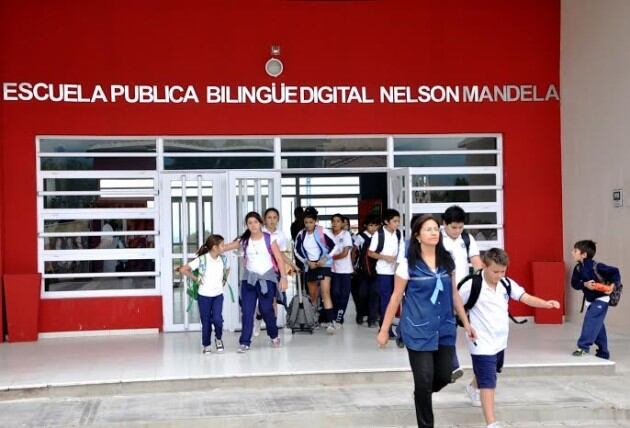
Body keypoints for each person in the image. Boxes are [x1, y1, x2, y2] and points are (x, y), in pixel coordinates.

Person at [377, 214, 476, 428]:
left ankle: (421, 395)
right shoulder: (407, 265)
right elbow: (396, 297)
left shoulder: (447, 261)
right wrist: (384, 330)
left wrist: (466, 323)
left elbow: (454, 295)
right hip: (417, 329)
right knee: (423, 379)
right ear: (417, 236)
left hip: (444, 329)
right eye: (428, 229)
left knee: (442, 376)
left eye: (435, 229)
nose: (433, 233)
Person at [458, 248, 560, 428]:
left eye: (502, 271)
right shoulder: (472, 285)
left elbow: (525, 297)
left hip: (500, 341)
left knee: (490, 372)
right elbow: (456, 302)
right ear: (484, 266)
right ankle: (491, 423)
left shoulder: (506, 283)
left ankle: (473, 387)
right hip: (480, 340)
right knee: (489, 382)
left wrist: (545, 304)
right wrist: (466, 324)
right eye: (495, 271)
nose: (499, 275)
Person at [222, 211, 288, 353]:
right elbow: (224, 247)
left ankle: (274, 335)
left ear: (260, 223)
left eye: (255, 222)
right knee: (247, 311)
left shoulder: (269, 239)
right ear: (246, 225)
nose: (253, 225)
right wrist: (206, 248)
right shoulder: (243, 240)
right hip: (249, 280)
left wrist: (283, 277)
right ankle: (245, 342)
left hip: (267, 279)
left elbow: (279, 259)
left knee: (266, 310)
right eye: (249, 223)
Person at [441, 205, 484, 382]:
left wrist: (482, 281)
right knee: (448, 329)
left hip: (465, 291)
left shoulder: (467, 239)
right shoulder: (437, 238)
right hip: (444, 290)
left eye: (460, 227)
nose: (457, 231)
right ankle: (453, 365)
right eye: (453, 227)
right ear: (444, 224)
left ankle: (481, 368)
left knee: (476, 326)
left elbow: (476, 262)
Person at [294, 206, 343, 334]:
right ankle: (313, 320)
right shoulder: (301, 234)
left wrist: (324, 259)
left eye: (311, 222)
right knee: (313, 295)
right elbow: (297, 250)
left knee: (325, 292)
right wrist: (307, 262)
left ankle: (332, 322)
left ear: (316, 221)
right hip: (310, 266)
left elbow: (335, 246)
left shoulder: (323, 232)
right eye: (306, 222)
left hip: (324, 265)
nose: (308, 225)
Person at [176, 234, 228, 354]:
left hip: (218, 295)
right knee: (206, 322)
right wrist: (196, 278)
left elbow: (226, 270)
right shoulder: (202, 259)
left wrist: (224, 279)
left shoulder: (223, 259)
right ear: (214, 247)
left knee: (217, 319)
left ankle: (218, 338)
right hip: (204, 296)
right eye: (222, 245)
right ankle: (206, 344)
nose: (224, 247)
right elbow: (184, 269)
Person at [254, 207, 299, 336]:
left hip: (275, 271)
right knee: (263, 301)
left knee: (273, 300)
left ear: (278, 219)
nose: (272, 220)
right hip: (260, 271)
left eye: (274, 218)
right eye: (269, 217)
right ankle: (258, 319)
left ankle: (272, 331)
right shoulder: (259, 232)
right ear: (264, 219)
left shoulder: (281, 234)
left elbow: (281, 254)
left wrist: (292, 265)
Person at [570, 239, 619, 359]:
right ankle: (603, 352)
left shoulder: (598, 266)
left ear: (584, 254)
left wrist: (612, 287)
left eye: (575, 250)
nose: (572, 252)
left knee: (590, 320)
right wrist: (584, 285)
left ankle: (583, 347)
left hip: (602, 299)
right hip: (589, 301)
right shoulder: (577, 269)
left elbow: (615, 272)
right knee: (598, 325)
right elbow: (574, 284)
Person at [368, 208, 405, 337]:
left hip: (396, 272)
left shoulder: (398, 234)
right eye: (395, 221)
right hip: (383, 272)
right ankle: (386, 328)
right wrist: (385, 257)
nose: (397, 224)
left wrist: (398, 266)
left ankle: (389, 326)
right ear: (386, 222)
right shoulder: (379, 234)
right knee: (386, 300)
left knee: (395, 299)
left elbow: (401, 251)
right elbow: (370, 253)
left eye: (398, 221)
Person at [352, 214, 381, 326]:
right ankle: (360, 314)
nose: (373, 228)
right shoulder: (360, 237)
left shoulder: (380, 236)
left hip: (377, 270)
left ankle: (372, 319)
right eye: (371, 225)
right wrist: (352, 265)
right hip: (362, 271)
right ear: (366, 226)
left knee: (374, 293)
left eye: (376, 225)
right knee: (362, 294)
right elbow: (354, 251)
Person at [330, 213, 354, 326]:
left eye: (338, 221)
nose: (335, 223)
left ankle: (340, 316)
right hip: (333, 270)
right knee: (335, 293)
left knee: (344, 294)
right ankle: (334, 315)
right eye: (333, 221)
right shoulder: (329, 235)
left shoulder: (346, 235)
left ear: (342, 223)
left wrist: (332, 257)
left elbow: (345, 253)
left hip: (345, 270)